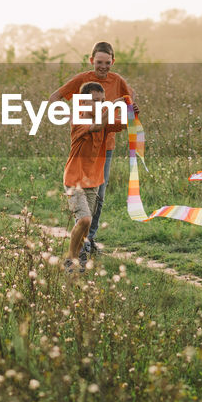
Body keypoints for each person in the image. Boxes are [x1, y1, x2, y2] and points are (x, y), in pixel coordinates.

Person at [48, 41, 136, 256]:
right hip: (85, 144)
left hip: (105, 147)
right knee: (85, 210)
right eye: (99, 62)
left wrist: (130, 110)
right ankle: (79, 247)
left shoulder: (118, 81)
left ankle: (88, 239)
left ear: (113, 62)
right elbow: (55, 99)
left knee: (98, 196)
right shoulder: (83, 84)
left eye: (107, 62)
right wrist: (70, 118)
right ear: (92, 61)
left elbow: (128, 111)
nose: (103, 66)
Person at [62, 81, 126, 272]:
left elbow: (123, 123)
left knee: (85, 226)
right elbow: (97, 126)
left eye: (102, 101)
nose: (99, 105)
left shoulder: (104, 119)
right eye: (94, 101)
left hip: (94, 181)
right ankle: (70, 260)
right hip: (74, 180)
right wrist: (113, 105)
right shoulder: (79, 120)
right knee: (85, 220)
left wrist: (130, 107)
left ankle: (79, 256)